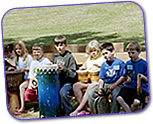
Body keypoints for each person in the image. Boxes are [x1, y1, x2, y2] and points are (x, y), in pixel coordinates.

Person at [87, 42, 125, 114]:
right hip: (106, 85)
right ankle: (95, 113)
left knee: (115, 95)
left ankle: (114, 114)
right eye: (103, 54)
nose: (104, 56)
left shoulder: (119, 62)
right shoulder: (104, 65)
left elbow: (123, 77)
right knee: (91, 92)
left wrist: (114, 85)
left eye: (106, 53)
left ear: (113, 52)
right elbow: (101, 78)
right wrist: (100, 88)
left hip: (117, 85)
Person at [70, 40, 105, 116]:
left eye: (95, 50)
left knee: (90, 87)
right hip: (89, 80)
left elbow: (105, 69)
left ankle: (78, 109)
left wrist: (99, 67)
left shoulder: (102, 59)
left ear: (99, 50)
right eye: (91, 51)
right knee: (76, 86)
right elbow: (84, 66)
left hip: (98, 82)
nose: (93, 53)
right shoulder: (89, 59)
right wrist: (82, 68)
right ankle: (84, 109)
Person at [15, 43, 51, 114]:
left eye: (38, 51)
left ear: (42, 52)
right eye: (35, 52)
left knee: (40, 89)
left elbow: (51, 68)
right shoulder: (33, 63)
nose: (36, 53)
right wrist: (31, 86)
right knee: (27, 91)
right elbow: (31, 76)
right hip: (33, 81)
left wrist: (49, 65)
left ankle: (41, 106)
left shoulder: (45, 61)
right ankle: (24, 107)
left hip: (43, 82)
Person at [116, 42, 148, 112]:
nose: (130, 55)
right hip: (129, 87)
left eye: (133, 53)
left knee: (136, 102)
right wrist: (127, 78)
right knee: (119, 98)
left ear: (139, 52)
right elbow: (125, 75)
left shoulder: (144, 64)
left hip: (140, 88)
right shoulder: (128, 63)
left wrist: (142, 77)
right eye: (129, 53)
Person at [52, 35, 78, 115]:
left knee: (63, 93)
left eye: (61, 45)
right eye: (57, 45)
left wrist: (63, 69)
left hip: (68, 82)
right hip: (57, 82)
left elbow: (73, 73)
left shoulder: (69, 57)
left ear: (65, 45)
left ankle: (68, 112)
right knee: (51, 91)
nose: (59, 47)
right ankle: (56, 111)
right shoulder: (55, 57)